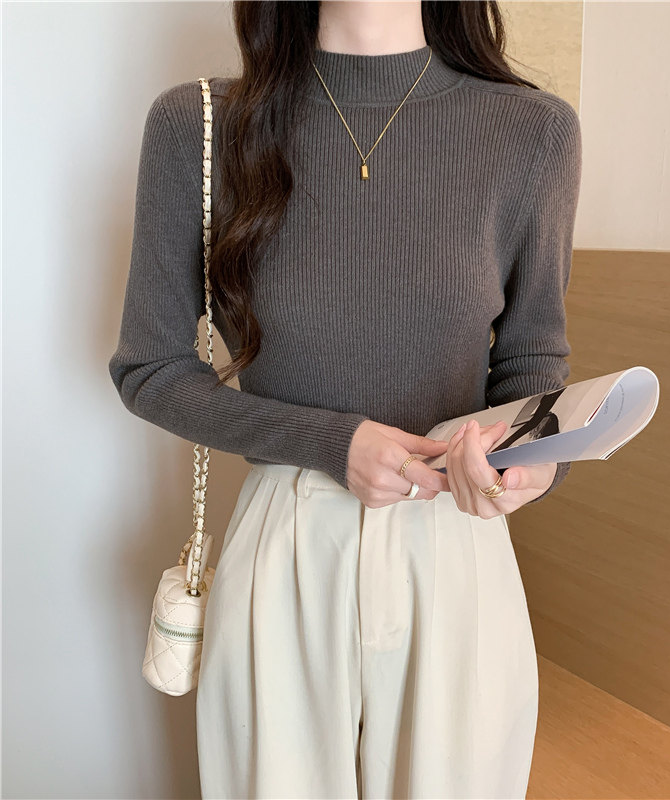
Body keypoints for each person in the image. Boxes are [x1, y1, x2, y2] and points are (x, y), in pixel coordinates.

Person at [108, 0, 581, 796]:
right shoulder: (197, 126)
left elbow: (533, 365)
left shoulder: (534, 131)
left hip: (455, 548)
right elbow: (150, 368)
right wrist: (333, 442)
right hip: (285, 547)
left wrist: (532, 462)